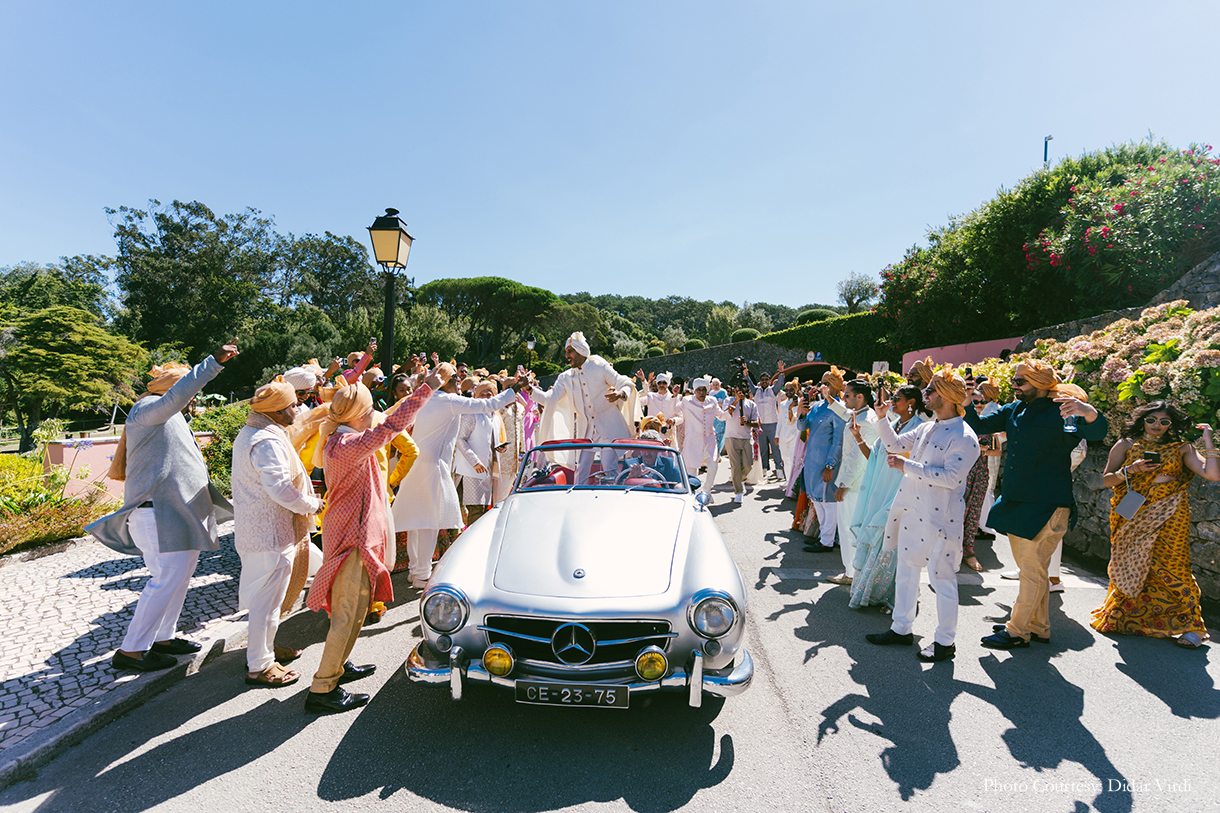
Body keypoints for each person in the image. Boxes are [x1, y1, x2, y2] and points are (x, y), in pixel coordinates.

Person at [89, 343, 239, 672]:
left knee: (178, 577)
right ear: (174, 390)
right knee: (167, 577)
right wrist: (212, 362)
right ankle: (131, 650)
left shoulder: (171, 415)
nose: (193, 399)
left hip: (175, 513)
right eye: (189, 391)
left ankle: (164, 637)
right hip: (157, 513)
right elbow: (176, 396)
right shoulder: (149, 409)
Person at [305, 369, 445, 713]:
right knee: (347, 613)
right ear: (357, 416)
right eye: (369, 410)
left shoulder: (343, 439)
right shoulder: (347, 445)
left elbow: (387, 423)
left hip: (355, 536)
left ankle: (339, 666)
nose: (374, 414)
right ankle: (323, 688)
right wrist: (426, 389)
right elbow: (391, 427)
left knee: (355, 610)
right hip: (352, 541)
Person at [966, 359, 1108, 650]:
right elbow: (978, 426)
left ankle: (1017, 630)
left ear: (1042, 384)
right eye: (1014, 380)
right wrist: (967, 400)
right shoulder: (1014, 408)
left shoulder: (1063, 410)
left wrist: (1089, 412)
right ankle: (1039, 626)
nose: (1014, 385)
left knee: (1032, 572)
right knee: (1033, 570)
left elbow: (1096, 434)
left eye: (1021, 381)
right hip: (1017, 500)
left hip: (1048, 503)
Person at [865, 369, 980, 662]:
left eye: (930, 390)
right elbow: (894, 445)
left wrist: (907, 466)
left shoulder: (965, 437)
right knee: (906, 570)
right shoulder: (927, 428)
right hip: (913, 511)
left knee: (942, 579)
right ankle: (901, 629)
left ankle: (945, 642)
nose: (924, 394)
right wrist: (881, 418)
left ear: (947, 396)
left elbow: (952, 478)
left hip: (941, 519)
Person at [1091, 403, 1218, 648]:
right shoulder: (1126, 444)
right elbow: (1107, 480)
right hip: (1133, 512)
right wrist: (1130, 469)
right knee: (1132, 562)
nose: (1157, 425)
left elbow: (1212, 475)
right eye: (1151, 419)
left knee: (1174, 565)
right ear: (1142, 420)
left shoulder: (1182, 448)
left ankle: (1193, 627)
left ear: (1171, 425)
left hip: (1171, 513)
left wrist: (1208, 440)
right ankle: (1130, 616)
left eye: (1164, 421)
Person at [393, 367, 525, 589]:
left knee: (416, 521)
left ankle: (415, 571)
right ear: (445, 381)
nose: (458, 382)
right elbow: (489, 405)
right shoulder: (448, 401)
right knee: (428, 521)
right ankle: (422, 575)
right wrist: (515, 388)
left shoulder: (424, 397)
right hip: (432, 466)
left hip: (415, 464)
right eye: (454, 377)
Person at [231, 378, 322, 688]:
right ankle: (260, 666)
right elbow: (281, 489)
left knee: (267, 601)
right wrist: (312, 504)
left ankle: (265, 652)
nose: (298, 409)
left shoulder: (255, 432)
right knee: (266, 604)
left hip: (263, 532)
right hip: (269, 534)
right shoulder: (265, 441)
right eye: (293, 405)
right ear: (278, 411)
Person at [848, 385, 928, 612]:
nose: (892, 401)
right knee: (878, 541)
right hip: (880, 492)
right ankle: (872, 593)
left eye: (897, 398)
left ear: (911, 403)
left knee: (894, 545)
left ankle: (896, 598)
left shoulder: (919, 430)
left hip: (900, 495)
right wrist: (858, 437)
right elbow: (875, 458)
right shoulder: (891, 426)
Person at [534, 332, 638, 483]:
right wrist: (529, 389)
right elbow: (549, 398)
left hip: (608, 428)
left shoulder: (599, 367)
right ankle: (578, 495)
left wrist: (620, 393)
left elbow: (624, 382)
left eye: (570, 351)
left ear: (580, 351)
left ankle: (611, 495)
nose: (566, 355)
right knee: (581, 470)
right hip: (586, 432)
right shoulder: (565, 377)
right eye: (566, 352)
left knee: (609, 469)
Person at [824, 378, 880, 586]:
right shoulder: (862, 414)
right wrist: (830, 400)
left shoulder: (866, 421)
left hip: (855, 485)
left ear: (860, 397)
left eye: (846, 395)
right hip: (857, 484)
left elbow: (858, 459)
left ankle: (852, 573)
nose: (843, 398)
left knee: (850, 529)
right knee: (852, 529)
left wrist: (844, 484)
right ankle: (855, 572)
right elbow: (845, 413)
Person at [797, 368, 847, 553]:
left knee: (828, 501)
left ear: (835, 386)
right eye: (822, 383)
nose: (822, 386)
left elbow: (838, 441)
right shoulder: (817, 406)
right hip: (812, 461)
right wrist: (802, 413)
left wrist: (830, 465)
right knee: (817, 499)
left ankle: (827, 541)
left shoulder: (839, 408)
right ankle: (824, 536)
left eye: (826, 383)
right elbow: (802, 427)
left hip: (827, 462)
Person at [455, 380, 504, 526]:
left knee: (483, 510)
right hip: (470, 470)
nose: (486, 397)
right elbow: (460, 439)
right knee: (475, 511)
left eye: (489, 394)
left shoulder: (495, 417)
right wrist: (475, 461)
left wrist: (498, 447)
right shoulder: (471, 414)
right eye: (482, 394)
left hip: (487, 471)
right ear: (475, 396)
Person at [677, 377, 729, 501]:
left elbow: (721, 416)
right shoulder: (687, 401)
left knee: (713, 465)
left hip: (709, 441)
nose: (701, 392)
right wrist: (674, 396)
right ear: (694, 391)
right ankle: (692, 496)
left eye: (704, 390)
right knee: (692, 471)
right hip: (692, 441)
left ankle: (706, 491)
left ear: (707, 390)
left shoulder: (712, 401)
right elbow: (675, 409)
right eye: (699, 390)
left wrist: (729, 412)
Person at [744, 360, 787, 481]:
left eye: (766, 379)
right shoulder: (756, 391)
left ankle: (779, 469)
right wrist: (746, 374)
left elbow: (780, 383)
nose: (764, 381)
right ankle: (764, 469)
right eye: (762, 379)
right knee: (763, 448)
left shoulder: (773, 391)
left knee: (776, 448)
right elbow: (749, 383)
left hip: (773, 423)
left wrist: (781, 372)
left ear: (769, 381)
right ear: (760, 381)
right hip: (760, 424)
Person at [723, 386, 759, 503]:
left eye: (744, 387)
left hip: (746, 437)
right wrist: (736, 401)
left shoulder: (751, 404)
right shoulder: (728, 400)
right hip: (731, 437)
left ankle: (741, 480)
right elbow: (725, 414)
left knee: (749, 465)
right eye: (739, 387)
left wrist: (747, 422)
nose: (741, 390)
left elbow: (756, 423)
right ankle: (738, 491)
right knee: (735, 466)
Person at [619, 429, 684, 483]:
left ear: (658, 450)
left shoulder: (667, 464)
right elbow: (619, 487)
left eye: (651, 449)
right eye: (644, 449)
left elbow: (686, 481)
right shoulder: (630, 465)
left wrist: (678, 486)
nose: (647, 453)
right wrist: (630, 477)